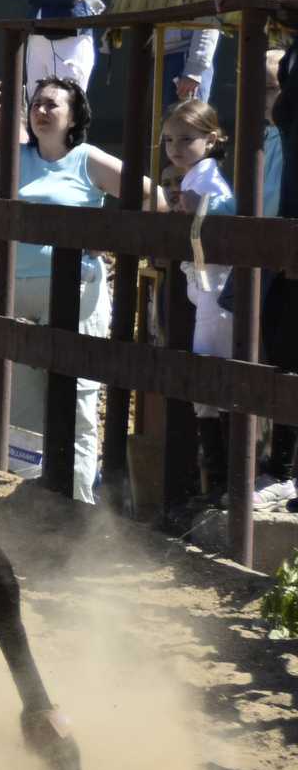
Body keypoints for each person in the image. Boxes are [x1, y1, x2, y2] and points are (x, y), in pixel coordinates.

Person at [0, 76, 129, 494]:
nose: (41, 110)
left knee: (78, 405)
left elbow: (153, 197)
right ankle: (39, 508)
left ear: (74, 117)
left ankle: (80, 510)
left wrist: (103, 239)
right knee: (24, 411)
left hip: (77, 296)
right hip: (18, 294)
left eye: (52, 104)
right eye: (36, 103)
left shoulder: (90, 160)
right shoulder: (17, 158)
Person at [157, 98, 236, 508]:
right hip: (202, 287)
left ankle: (226, 483)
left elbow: (229, 223)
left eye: (186, 138)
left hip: (216, 291)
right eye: (170, 139)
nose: (175, 147)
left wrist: (197, 211)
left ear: (211, 139)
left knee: (215, 384)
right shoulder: (193, 180)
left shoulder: (208, 184)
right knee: (206, 388)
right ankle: (217, 482)